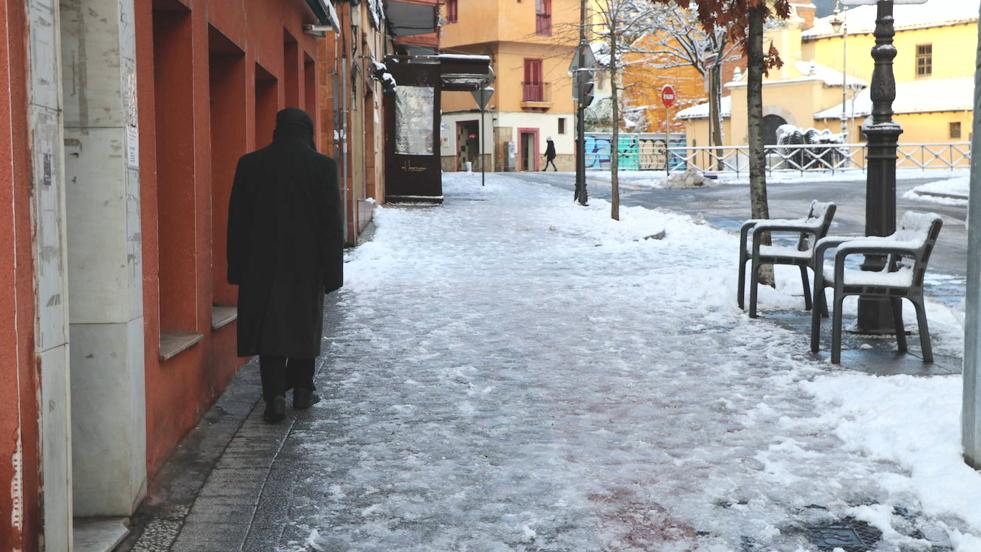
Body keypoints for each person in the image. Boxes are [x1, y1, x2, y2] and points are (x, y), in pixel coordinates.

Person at [227, 108, 344, 423]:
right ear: (306, 131)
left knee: (270, 330)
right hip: (307, 266)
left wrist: (236, 268)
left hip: (260, 265)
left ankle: (275, 396)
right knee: (303, 326)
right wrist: (333, 273)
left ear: (277, 130)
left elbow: (236, 221)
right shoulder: (322, 167)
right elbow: (331, 225)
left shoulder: (250, 165)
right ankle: (303, 390)